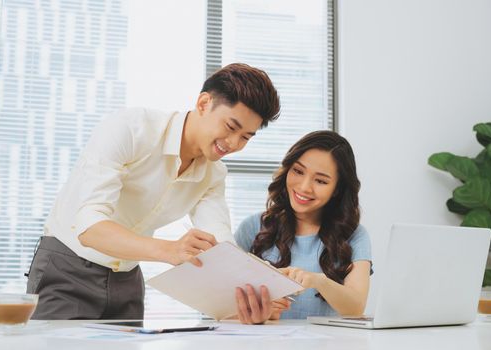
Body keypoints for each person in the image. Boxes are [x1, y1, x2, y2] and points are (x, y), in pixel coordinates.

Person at [25, 63, 280, 320]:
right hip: (67, 268)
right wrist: (169, 250)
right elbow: (89, 227)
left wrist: (259, 288)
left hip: (127, 280)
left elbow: (219, 244)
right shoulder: (131, 129)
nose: (234, 144)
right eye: (230, 127)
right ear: (204, 104)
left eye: (246, 137)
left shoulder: (214, 174)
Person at [233, 130, 372, 324]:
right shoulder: (253, 227)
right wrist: (260, 311)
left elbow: (356, 308)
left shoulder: (354, 235)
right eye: (298, 171)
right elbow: (219, 306)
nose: (305, 187)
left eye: (321, 181)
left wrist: (318, 281)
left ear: (337, 189)